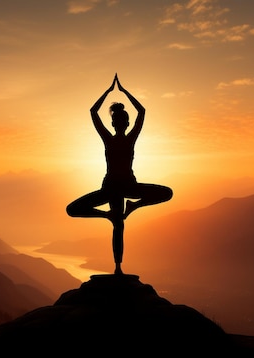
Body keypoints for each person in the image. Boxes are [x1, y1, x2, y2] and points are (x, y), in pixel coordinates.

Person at [66, 74, 173, 275]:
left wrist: (118, 91)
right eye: (118, 119)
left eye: (121, 119)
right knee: (78, 211)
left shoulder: (124, 138)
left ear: (122, 122)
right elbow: (96, 112)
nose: (120, 122)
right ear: (117, 123)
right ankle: (108, 217)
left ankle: (130, 209)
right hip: (113, 187)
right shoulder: (113, 138)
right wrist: (113, 92)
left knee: (164, 194)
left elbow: (140, 111)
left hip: (124, 186)